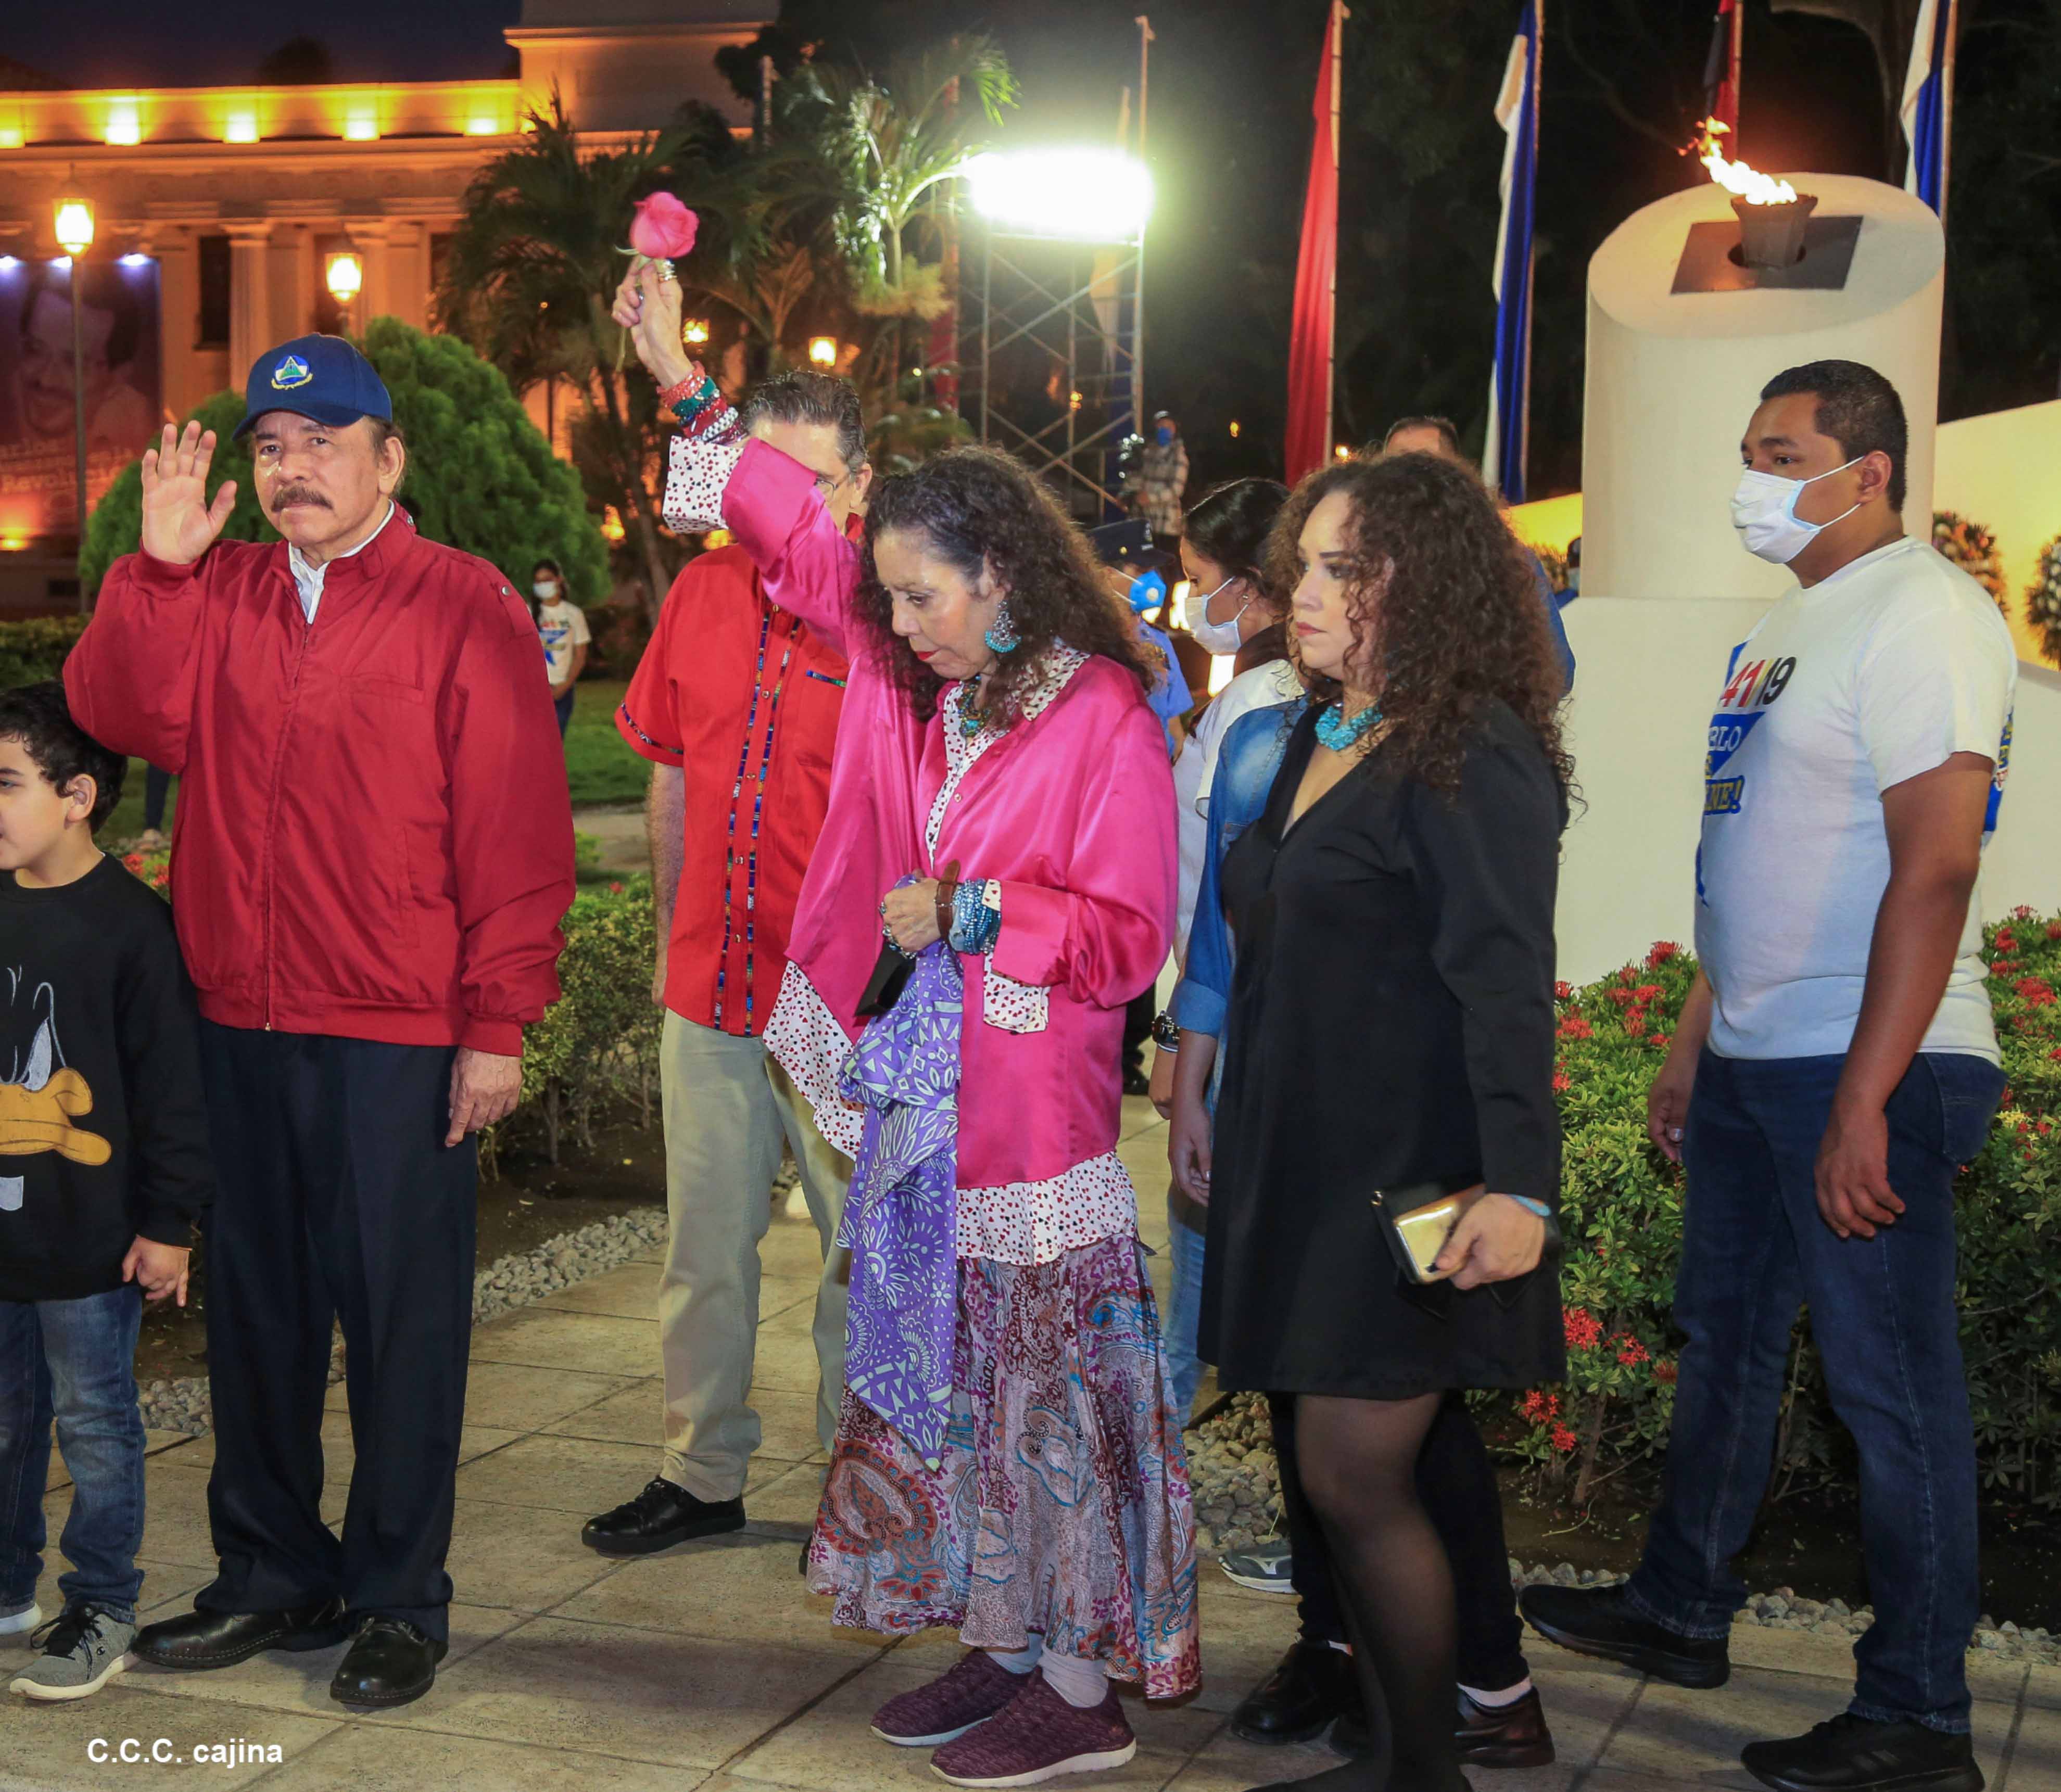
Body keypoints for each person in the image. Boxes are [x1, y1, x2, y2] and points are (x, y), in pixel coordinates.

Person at [614, 257, 1195, 1789]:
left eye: (923, 594)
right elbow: (789, 539)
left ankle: (1079, 1690)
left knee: (1044, 1400)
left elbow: (1129, 934)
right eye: (889, 597)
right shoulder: (922, 686)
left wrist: (979, 910)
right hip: (925, 1103)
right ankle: (1002, 1642)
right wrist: (683, 381)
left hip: (1031, 1124)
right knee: (959, 1391)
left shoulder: (1100, 714)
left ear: (999, 574)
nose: (897, 619)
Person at [1521, 361, 2017, 1792]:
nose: (1751, 477)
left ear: (1866, 470)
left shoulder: (1925, 612)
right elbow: (1751, 852)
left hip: (1867, 1061)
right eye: (1746, 449)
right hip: (1756, 1057)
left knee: (1888, 1389)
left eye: (1780, 452)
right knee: (1725, 1341)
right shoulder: (1784, 625)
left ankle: (1918, 1715)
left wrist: (1863, 1095)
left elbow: (1934, 867)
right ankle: (1679, 1605)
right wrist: (1697, 1034)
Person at [64, 334, 576, 1711]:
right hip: (237, 1014)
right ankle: (271, 1569)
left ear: (388, 459)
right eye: (272, 449)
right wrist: (157, 569)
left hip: (397, 1028)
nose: (293, 471)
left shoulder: (462, 601)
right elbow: (119, 713)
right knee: (258, 1314)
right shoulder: (222, 588)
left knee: (402, 1323)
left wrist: (496, 1020)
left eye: (323, 444)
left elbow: (517, 828)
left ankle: (398, 1593)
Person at [1202, 451, 1569, 1792]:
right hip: (1305, 1166)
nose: (1300, 590)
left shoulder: (1471, 749)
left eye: (1338, 569)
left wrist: (1518, 1187)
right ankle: (1404, 1756)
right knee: (1335, 1478)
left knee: (1355, 1478)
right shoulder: (1319, 729)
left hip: (1407, 1181)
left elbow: (1505, 986)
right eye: (1302, 563)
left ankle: (1424, 1769)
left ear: (1418, 584)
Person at [583, 369, 870, 1561]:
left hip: (844, 1001)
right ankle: (699, 1471)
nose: (776, 500)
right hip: (711, 980)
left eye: (805, 479)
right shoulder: (701, 590)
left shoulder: (879, 610)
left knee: (862, 1251)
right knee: (701, 1247)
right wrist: (668, 938)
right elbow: (669, 772)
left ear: (857, 486)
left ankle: (866, 1487)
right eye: (762, 474)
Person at [0, 684, 211, 1702]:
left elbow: (174, 1091)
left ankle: (101, 1603)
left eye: (6, 782)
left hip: (89, 1239)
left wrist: (168, 1223)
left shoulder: (133, 929)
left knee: (94, 1422)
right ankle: (8, 1587)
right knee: (5, 1418)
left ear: (77, 795)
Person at [1151, 476, 1296, 1428]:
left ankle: (1178, 1415)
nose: (1190, 603)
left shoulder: (1261, 702)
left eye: (1200, 580)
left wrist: (1182, 1038)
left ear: (1251, 584)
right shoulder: (1249, 693)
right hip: (1224, 1010)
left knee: (1208, 1214)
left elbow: (1218, 896)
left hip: (1243, 1019)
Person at [1377, 416, 1575, 691]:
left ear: (1457, 476)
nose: (1411, 480)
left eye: (1426, 466)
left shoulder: (1510, 562)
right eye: (1397, 466)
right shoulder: (1358, 558)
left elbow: (1557, 672)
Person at [530, 558, 590, 738]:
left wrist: (564, 686)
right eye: (538, 581)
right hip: (533, 690)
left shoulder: (574, 614)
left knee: (555, 741)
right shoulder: (527, 612)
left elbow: (580, 655)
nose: (543, 585)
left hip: (563, 690)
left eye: (547, 579)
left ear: (559, 580)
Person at [1135, 410, 1190, 552]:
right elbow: (1140, 479)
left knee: (1167, 560)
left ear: (1175, 430)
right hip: (1147, 520)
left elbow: (1177, 490)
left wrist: (1151, 498)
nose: (1164, 430)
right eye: (1161, 426)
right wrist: (1128, 495)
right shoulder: (1148, 454)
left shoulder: (1179, 456)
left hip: (1167, 525)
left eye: (1168, 427)